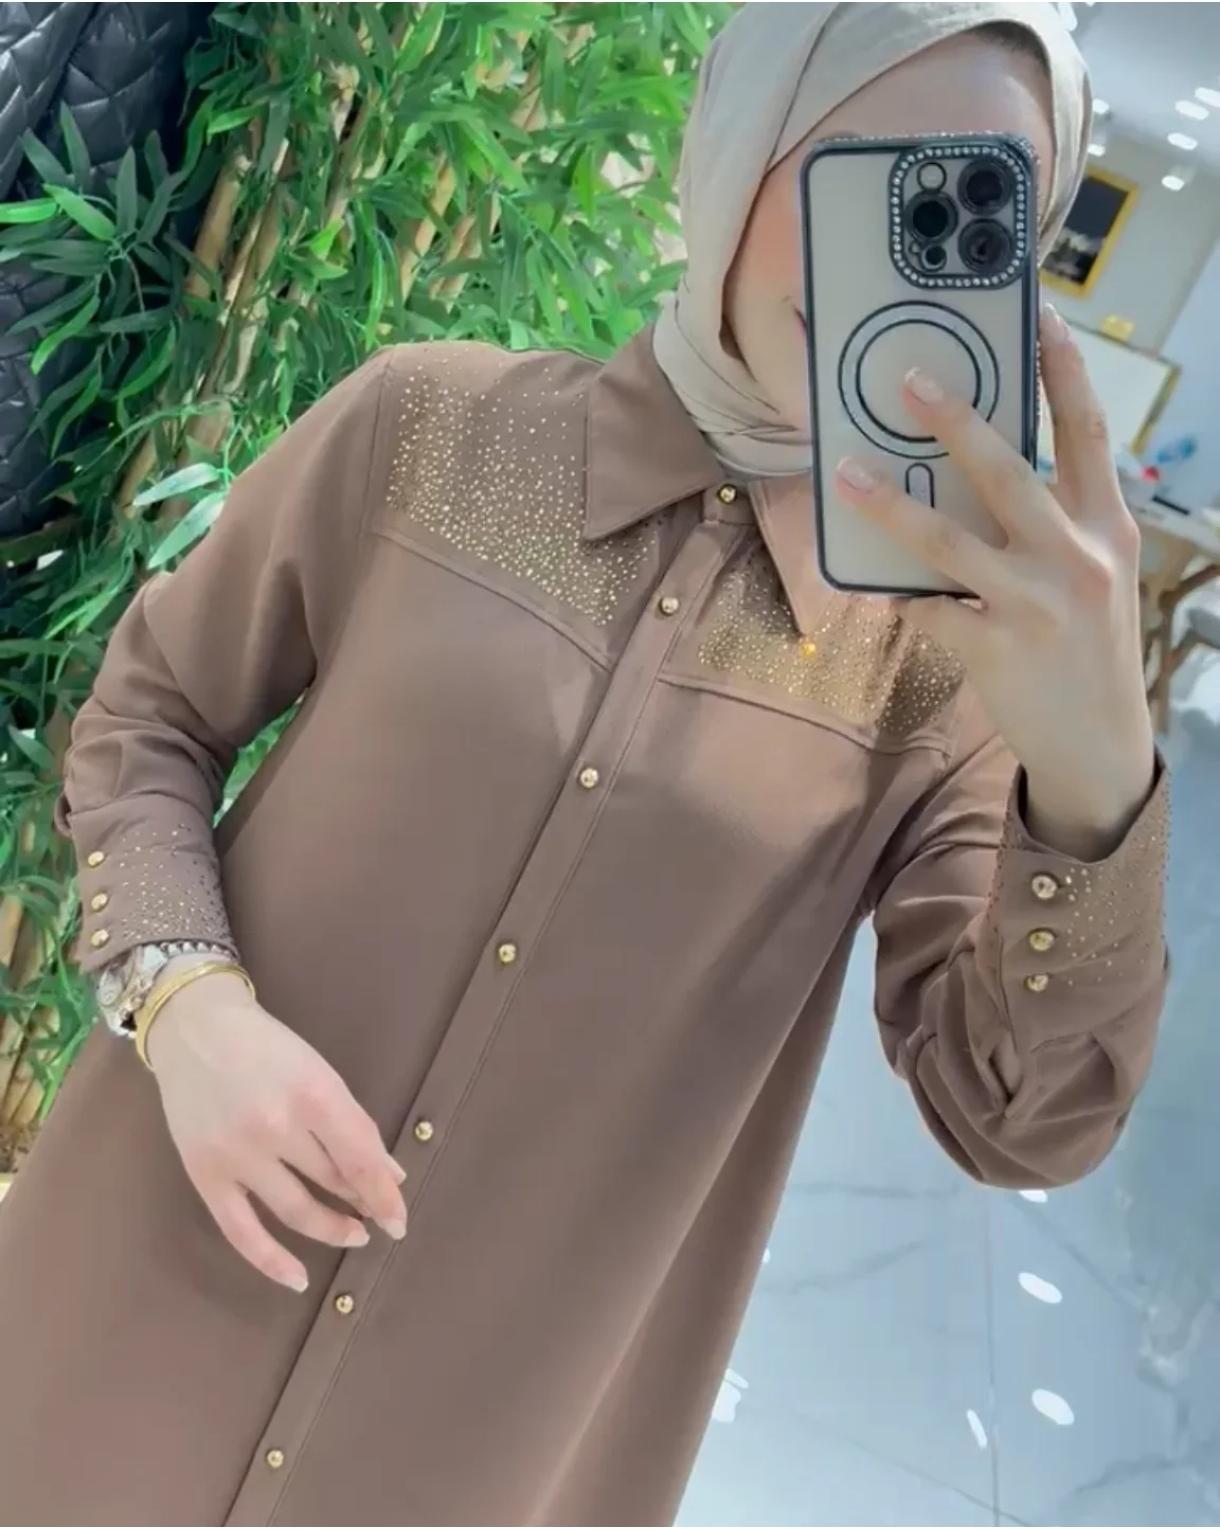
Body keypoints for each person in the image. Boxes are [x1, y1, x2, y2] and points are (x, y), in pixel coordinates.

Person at [0, 3, 1168, 1525]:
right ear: (743, 138)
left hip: (484, 1434)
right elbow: (150, 713)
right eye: (863, 166)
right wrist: (190, 1007)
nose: (891, 250)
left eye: (970, 204)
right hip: (145, 1264)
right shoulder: (429, 424)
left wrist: (1094, 780)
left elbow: (1021, 1117)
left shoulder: (947, 672)